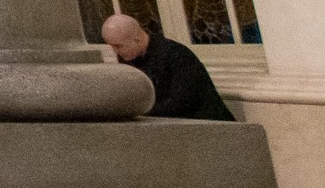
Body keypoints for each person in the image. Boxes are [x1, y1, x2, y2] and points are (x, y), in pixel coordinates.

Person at [100, 11, 236, 120]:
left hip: (210, 126)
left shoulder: (176, 54)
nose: (115, 52)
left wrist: (137, 111)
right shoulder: (129, 57)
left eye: (118, 46)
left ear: (137, 40)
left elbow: (182, 103)